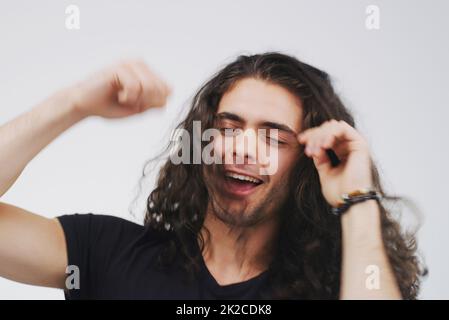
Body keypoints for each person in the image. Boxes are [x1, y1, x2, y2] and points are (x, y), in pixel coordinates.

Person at [0, 52, 423, 299]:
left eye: (274, 137)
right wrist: (74, 104)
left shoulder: (334, 288)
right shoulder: (107, 252)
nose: (241, 148)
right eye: (228, 128)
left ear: (310, 161)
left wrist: (358, 198)